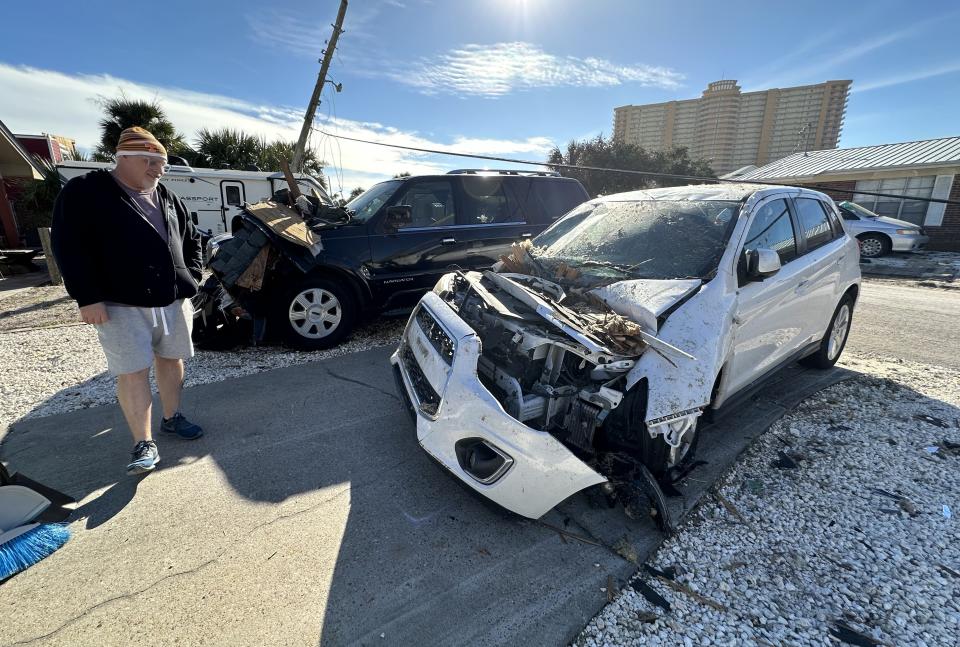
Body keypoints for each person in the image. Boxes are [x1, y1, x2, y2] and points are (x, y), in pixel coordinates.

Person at [52, 127, 205, 475]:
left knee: (172, 360)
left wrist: (191, 274)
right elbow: (68, 247)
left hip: (172, 299)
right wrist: (87, 297)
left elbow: (192, 237)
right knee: (133, 371)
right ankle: (143, 442)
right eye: (149, 161)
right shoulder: (85, 192)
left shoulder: (167, 196)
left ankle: (172, 417)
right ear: (122, 159)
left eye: (162, 163)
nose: (157, 169)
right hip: (120, 304)